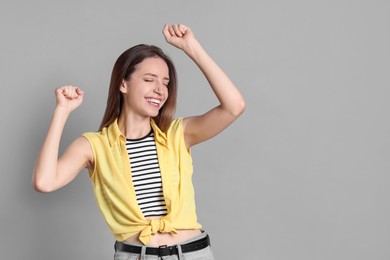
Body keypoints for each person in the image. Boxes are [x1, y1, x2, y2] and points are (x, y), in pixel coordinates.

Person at [32, 23, 246, 260]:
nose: (160, 90)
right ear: (123, 84)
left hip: (192, 253)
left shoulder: (177, 134)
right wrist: (62, 111)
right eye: (149, 79)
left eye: (166, 83)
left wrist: (191, 47)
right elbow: (44, 182)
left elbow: (234, 106)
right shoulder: (94, 146)